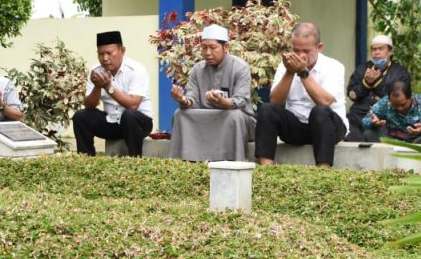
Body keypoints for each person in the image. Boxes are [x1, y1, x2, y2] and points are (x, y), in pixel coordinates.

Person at [254, 22, 347, 167]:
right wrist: (289, 72)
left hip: (329, 128)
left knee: (320, 111)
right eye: (296, 50)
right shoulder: (284, 66)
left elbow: (324, 101)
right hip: (297, 127)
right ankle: (266, 167)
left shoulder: (334, 67)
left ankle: (323, 171)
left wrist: (303, 72)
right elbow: (275, 101)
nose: (300, 56)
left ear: (319, 48)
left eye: (306, 51)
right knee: (267, 109)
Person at [169, 25, 256, 161]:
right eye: (204, 47)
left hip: (237, 118)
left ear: (225, 47)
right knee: (180, 114)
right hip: (207, 118)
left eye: (212, 47)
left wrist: (224, 102)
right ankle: (182, 160)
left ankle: (233, 160)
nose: (207, 52)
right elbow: (193, 101)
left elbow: (241, 100)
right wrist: (182, 100)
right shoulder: (197, 69)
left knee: (234, 116)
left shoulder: (240, 67)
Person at [72, 30, 153, 156]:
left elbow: (133, 105)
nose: (105, 58)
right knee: (80, 116)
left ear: (122, 50)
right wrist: (97, 87)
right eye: (100, 54)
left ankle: (135, 161)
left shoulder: (136, 69)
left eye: (109, 53)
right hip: (112, 122)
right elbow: (89, 105)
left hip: (139, 124)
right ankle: (85, 159)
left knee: (129, 115)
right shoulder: (95, 72)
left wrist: (108, 87)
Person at [345, 34, 410, 142]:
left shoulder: (400, 72)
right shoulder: (362, 69)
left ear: (390, 52)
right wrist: (366, 83)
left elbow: (398, 98)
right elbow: (352, 94)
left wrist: (375, 82)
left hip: (385, 117)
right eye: (374, 49)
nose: (376, 52)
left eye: (381, 49)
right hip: (358, 117)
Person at [362, 80, 421, 144]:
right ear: (389, 100)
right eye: (395, 105)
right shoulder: (384, 103)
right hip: (391, 141)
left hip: (418, 141)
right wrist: (373, 123)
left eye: (403, 104)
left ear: (410, 97)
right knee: (369, 133)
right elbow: (365, 121)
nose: (399, 108)